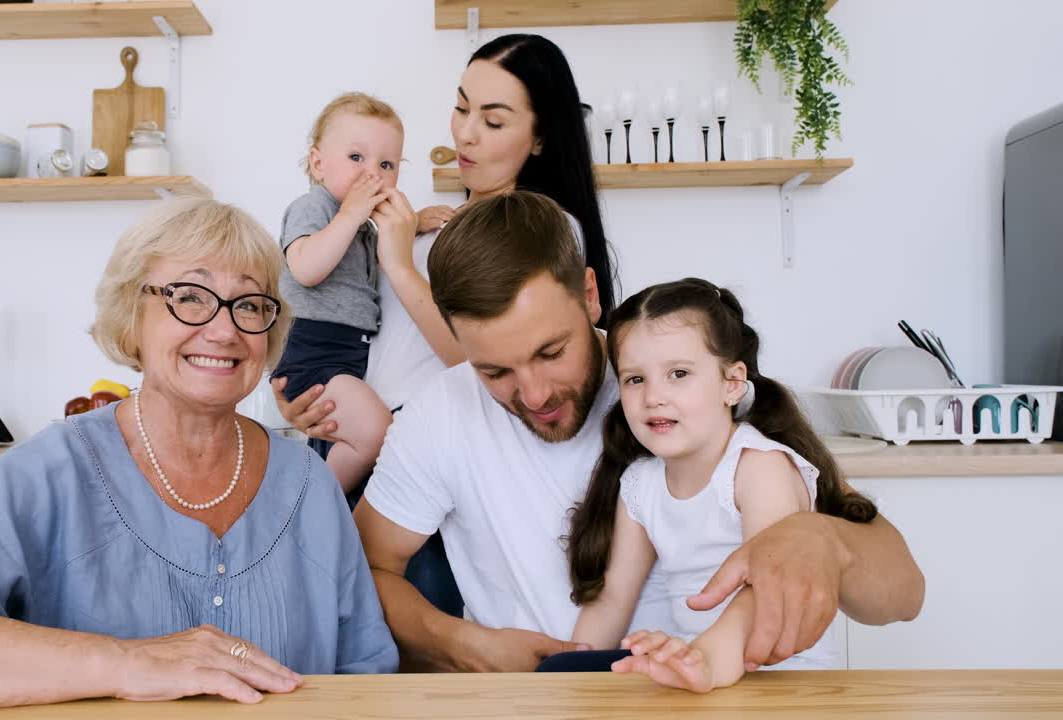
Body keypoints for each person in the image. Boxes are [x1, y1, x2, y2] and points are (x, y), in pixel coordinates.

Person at [0, 198, 398, 711]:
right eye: (189, 296)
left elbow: (367, 685)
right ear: (131, 318)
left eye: (249, 304)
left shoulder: (308, 486)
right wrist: (124, 663)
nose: (223, 328)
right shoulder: (52, 472)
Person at [352, 190, 925, 673]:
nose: (533, 395)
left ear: (590, 295)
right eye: (494, 371)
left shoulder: (681, 381)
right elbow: (366, 568)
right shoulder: (438, 416)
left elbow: (904, 595)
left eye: (551, 352)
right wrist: (462, 645)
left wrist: (825, 543)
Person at [274, 33, 618, 615]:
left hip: (437, 470)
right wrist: (300, 395)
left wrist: (401, 264)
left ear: (538, 138)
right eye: (461, 108)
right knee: (339, 640)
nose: (465, 133)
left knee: (414, 652)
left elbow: (482, 358)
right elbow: (344, 317)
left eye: (493, 119)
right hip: (357, 443)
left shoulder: (546, 231)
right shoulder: (423, 222)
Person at [566, 277, 880, 692]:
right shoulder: (640, 484)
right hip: (706, 679)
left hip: (788, 686)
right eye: (635, 379)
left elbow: (767, 584)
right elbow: (612, 600)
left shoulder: (757, 466)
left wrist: (710, 659)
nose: (653, 396)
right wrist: (568, 674)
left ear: (731, 383)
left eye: (678, 373)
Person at [272, 92, 449, 493]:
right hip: (312, 349)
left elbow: (376, 257)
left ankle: (316, 494)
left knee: (363, 433)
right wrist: (352, 214)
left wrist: (414, 222)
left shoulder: (361, 227)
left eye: (386, 164)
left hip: (346, 353)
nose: (373, 174)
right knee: (375, 432)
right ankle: (313, 504)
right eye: (357, 158)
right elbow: (306, 268)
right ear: (318, 164)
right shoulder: (312, 208)